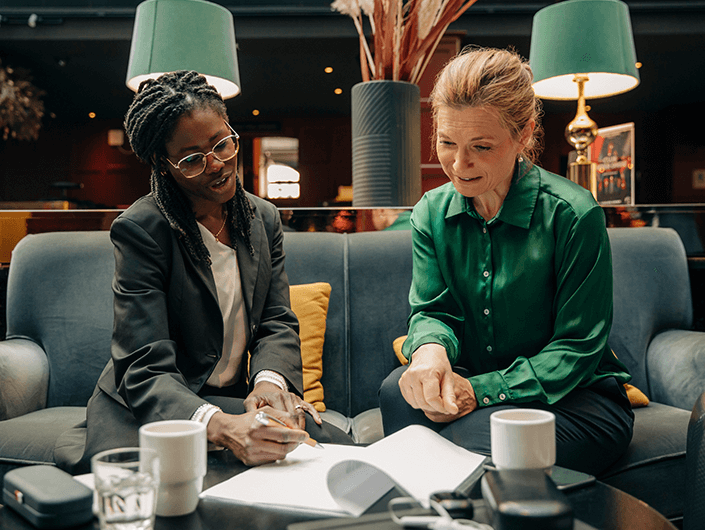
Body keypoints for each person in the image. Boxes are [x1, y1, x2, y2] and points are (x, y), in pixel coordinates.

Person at [55, 70, 351, 474]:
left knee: (332, 447)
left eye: (222, 144)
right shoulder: (142, 229)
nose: (216, 165)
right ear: (163, 164)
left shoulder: (262, 218)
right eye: (193, 159)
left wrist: (268, 382)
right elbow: (144, 364)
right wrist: (222, 426)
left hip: (226, 399)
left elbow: (275, 320)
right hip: (155, 407)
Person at [378, 48, 634, 475]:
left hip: (576, 400)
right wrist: (428, 352)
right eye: (446, 143)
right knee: (395, 391)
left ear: (523, 134)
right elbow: (432, 311)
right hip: (475, 384)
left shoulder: (574, 214)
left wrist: (479, 391)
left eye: (481, 146)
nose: (459, 165)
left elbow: (576, 349)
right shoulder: (428, 213)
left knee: (462, 443)